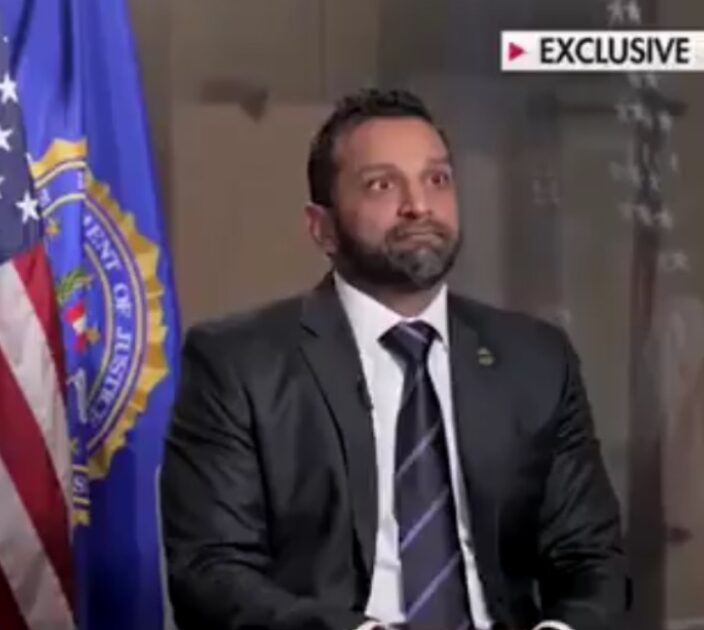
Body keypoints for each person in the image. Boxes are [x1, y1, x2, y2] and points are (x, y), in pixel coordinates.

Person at [160, 88, 625, 630]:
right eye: (382, 185)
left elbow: (593, 559)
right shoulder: (238, 364)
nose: (419, 206)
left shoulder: (536, 359)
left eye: (437, 179)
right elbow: (210, 574)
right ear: (321, 227)